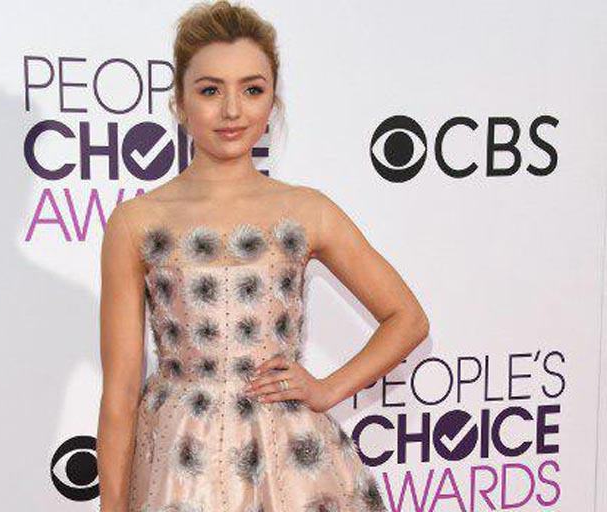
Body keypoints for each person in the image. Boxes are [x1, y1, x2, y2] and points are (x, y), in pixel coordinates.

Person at [97, 1, 429, 511]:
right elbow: (120, 394)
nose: (233, 111)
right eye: (210, 90)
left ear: (273, 100)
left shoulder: (306, 211)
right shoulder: (137, 223)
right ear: (180, 101)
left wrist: (327, 389)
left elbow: (407, 319)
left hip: (288, 462)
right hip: (180, 466)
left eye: (252, 89)